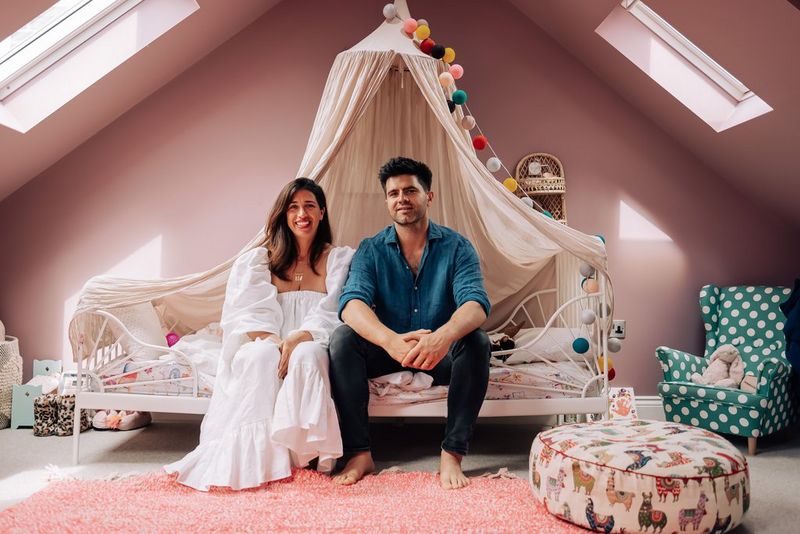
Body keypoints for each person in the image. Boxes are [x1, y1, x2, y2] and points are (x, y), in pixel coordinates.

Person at [165, 178, 354, 491]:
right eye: (293, 207)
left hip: (313, 340)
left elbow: (337, 309)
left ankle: (305, 451)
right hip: (267, 339)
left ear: (322, 212)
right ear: (283, 214)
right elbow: (250, 313)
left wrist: (298, 338)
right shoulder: (259, 261)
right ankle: (259, 455)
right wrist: (277, 342)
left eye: (309, 205)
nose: (301, 213)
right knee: (261, 355)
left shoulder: (339, 260)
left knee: (307, 356)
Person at [329, 157, 491, 490]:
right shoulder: (371, 249)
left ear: (428, 196)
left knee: (477, 341)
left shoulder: (458, 248)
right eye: (393, 193)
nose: (401, 198)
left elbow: (475, 304)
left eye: (410, 190)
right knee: (342, 339)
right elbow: (351, 304)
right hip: (389, 351)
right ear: (387, 200)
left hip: (439, 354)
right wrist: (390, 340)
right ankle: (360, 452)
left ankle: (452, 453)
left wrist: (442, 337)